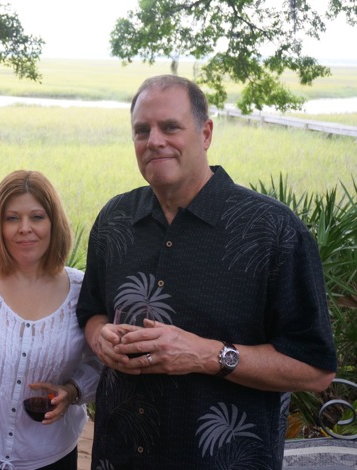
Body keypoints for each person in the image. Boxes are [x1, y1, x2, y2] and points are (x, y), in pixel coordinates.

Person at [76, 75, 337, 469]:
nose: (154, 141)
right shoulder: (115, 219)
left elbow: (315, 369)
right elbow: (92, 311)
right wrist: (101, 339)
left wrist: (207, 355)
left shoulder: (274, 231)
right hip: (119, 456)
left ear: (206, 133)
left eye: (170, 127)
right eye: (141, 130)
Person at [0, 170, 101, 470]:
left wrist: (73, 390)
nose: (24, 228)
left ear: (54, 222)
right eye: (12, 218)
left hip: (50, 457)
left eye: (37, 217)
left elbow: (100, 360)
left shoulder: (84, 291)